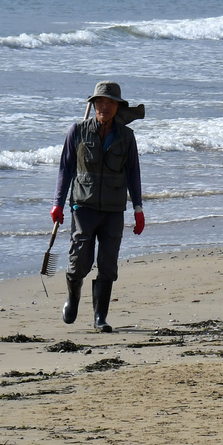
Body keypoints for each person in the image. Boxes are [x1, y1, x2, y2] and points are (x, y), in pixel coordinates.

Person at [51, 81, 144, 333]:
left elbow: (133, 173)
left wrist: (138, 209)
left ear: (117, 106)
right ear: (93, 105)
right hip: (83, 206)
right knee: (79, 261)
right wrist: (58, 204)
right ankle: (73, 298)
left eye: (110, 102)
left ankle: (99, 317)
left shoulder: (127, 137)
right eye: (100, 101)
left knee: (108, 263)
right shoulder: (77, 131)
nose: (105, 106)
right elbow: (65, 168)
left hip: (114, 209)